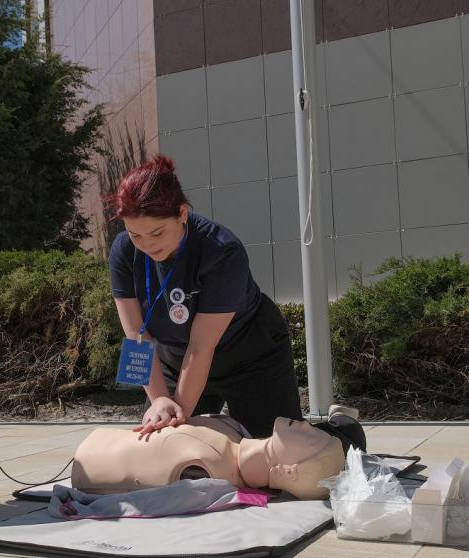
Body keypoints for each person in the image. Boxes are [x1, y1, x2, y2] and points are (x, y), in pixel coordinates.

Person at [107, 154, 302, 439]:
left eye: (157, 232)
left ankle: (343, 429)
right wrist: (161, 401)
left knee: (280, 452)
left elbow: (201, 347)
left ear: (182, 213)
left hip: (249, 356)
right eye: (135, 235)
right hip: (176, 360)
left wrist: (179, 414)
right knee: (164, 446)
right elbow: (137, 337)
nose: (147, 245)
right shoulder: (123, 251)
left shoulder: (221, 251)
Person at [71, 413, 367, 500]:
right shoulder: (234, 433)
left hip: (90, 463)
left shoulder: (208, 473)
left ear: (289, 470)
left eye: (311, 435)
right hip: (99, 444)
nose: (305, 424)